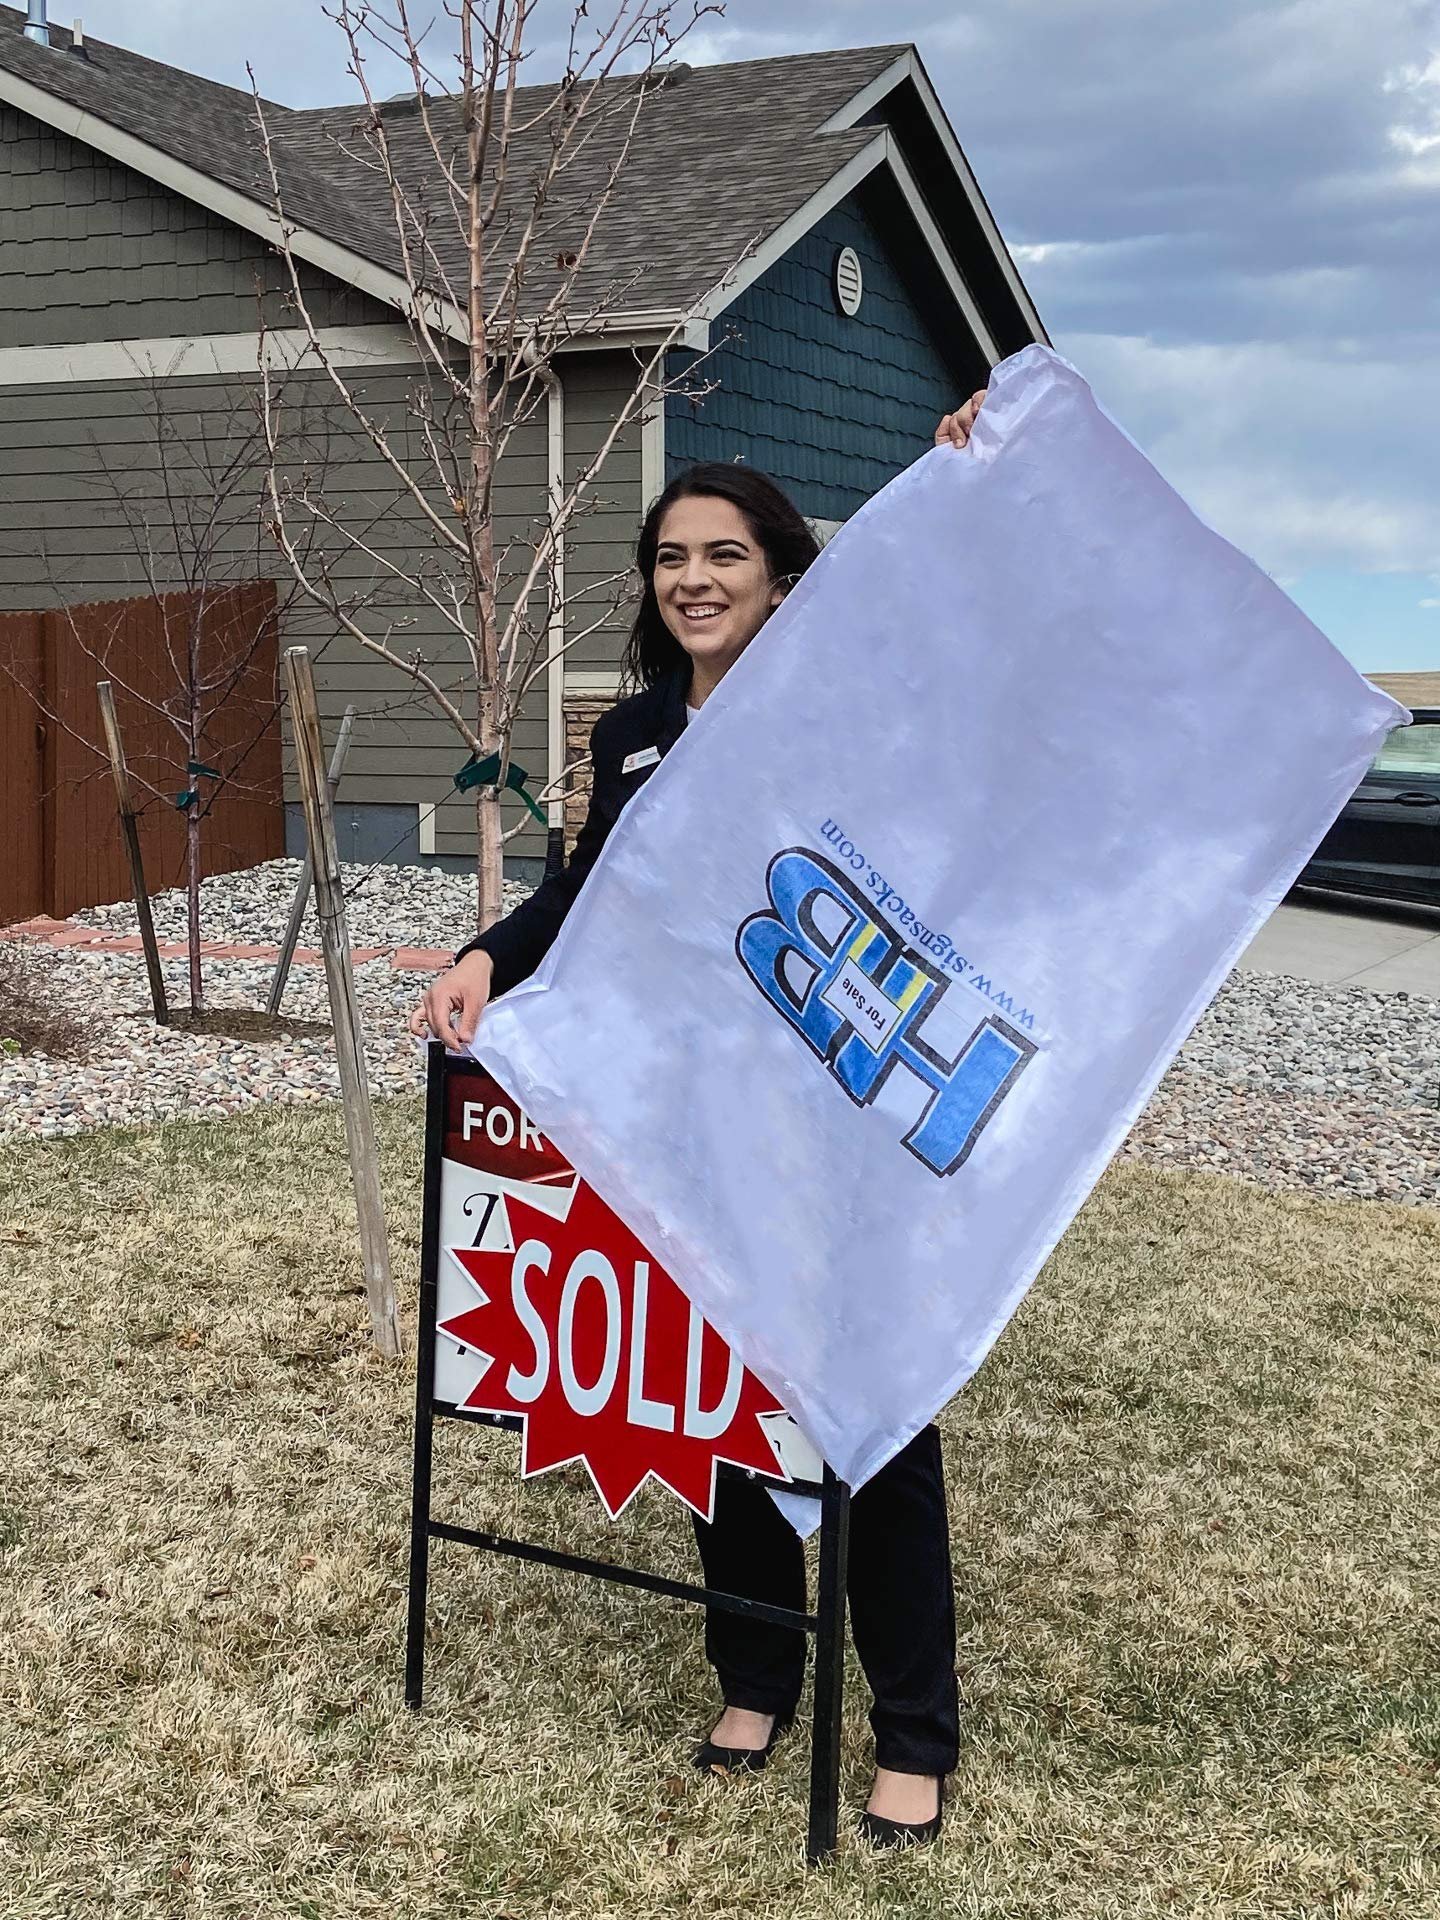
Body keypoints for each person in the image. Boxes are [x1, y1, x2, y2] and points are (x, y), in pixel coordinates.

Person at [411, 390, 988, 1850]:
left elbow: (952, 640)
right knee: (711, 1399)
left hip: (835, 1135)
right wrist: (489, 953)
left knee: (866, 1420)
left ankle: (915, 1731)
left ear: (782, 574)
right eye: (672, 557)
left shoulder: (845, 706)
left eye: (725, 553)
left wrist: (970, 479)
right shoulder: (635, 734)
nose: (695, 578)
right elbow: (590, 902)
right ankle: (756, 1671)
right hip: (683, 1132)